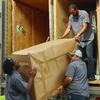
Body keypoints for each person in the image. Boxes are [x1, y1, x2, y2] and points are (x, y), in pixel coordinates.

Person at [61, 4, 95, 80]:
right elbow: (69, 28)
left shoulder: (84, 14)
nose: (72, 14)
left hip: (88, 39)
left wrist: (78, 34)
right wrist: (62, 36)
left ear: (76, 9)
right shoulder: (71, 17)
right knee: (79, 57)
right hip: (80, 40)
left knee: (89, 57)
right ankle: (81, 74)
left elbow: (85, 27)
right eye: (71, 13)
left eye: (73, 12)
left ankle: (91, 75)